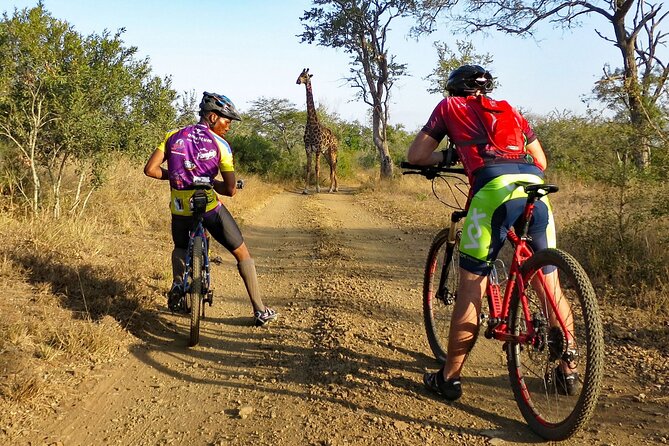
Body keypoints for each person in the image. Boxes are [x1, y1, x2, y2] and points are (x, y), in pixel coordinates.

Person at [407, 65, 576, 400]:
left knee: (472, 285)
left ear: (453, 89)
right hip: (533, 190)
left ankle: (449, 379)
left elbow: (417, 155)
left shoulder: (449, 107)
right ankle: (567, 371)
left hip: (492, 193)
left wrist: (452, 155)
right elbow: (539, 160)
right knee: (549, 283)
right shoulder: (511, 110)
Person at [144, 91, 277, 327]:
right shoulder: (221, 145)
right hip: (207, 206)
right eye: (227, 121)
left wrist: (178, 176)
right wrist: (210, 183)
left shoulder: (172, 136)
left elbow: (150, 170)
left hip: (179, 207)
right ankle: (260, 309)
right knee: (242, 253)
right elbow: (230, 190)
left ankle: (178, 284)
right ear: (213, 117)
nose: (229, 127)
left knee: (180, 247)